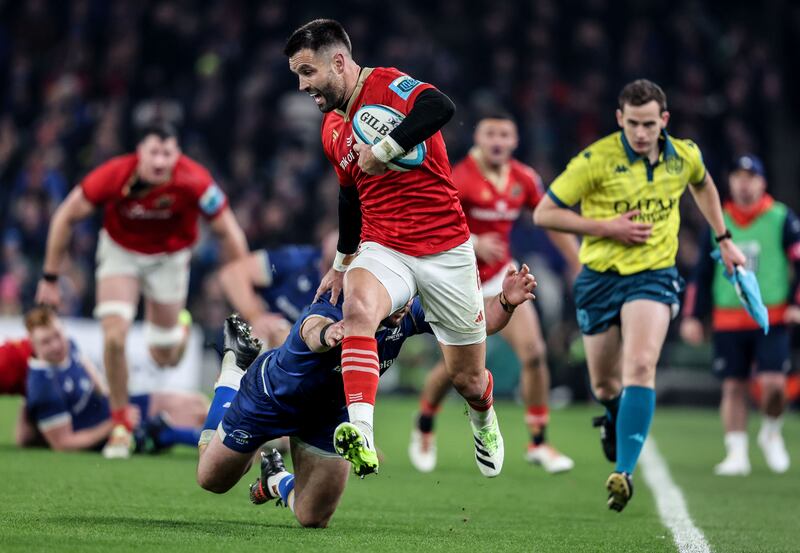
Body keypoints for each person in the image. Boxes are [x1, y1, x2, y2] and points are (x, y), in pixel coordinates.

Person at [285, 19, 502, 477]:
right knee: (358, 310)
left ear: (338, 62)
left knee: (467, 378)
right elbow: (349, 199)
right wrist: (342, 263)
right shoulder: (330, 129)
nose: (303, 85)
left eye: (308, 72)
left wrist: (384, 148)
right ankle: (361, 430)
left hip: (446, 249)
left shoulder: (387, 84)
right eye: (297, 76)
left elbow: (439, 106)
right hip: (384, 246)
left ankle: (483, 415)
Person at [533, 79, 746, 512]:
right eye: (633, 123)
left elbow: (703, 184)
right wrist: (607, 228)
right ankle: (612, 417)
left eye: (650, 123)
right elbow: (544, 213)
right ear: (620, 119)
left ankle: (623, 473)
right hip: (599, 277)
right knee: (605, 383)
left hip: (653, 275)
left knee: (641, 364)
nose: (642, 132)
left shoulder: (683, 154)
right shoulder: (595, 159)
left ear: (664, 120)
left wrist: (723, 238)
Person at [196, 265, 537, 528]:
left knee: (312, 518)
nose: (403, 305)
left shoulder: (406, 314)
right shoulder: (339, 303)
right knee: (212, 479)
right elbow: (310, 329)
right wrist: (330, 333)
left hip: (330, 416)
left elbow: (473, 325)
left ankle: (276, 480)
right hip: (271, 400)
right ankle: (235, 366)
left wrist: (506, 301)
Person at [34, 122, 249, 459]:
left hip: (170, 259)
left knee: (163, 355)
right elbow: (65, 216)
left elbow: (230, 232)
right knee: (115, 335)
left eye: (167, 153)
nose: (161, 161)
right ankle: (121, 424)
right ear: (140, 154)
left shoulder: (195, 180)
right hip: (121, 253)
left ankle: (179, 324)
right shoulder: (115, 175)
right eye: (154, 152)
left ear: (177, 154)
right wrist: (49, 277)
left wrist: (244, 294)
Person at [408, 112, 580, 474]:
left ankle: (538, 442)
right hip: (459, 283)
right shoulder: (461, 176)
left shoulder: (523, 178)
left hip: (502, 278)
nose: (498, 141)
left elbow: (549, 216)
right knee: (460, 371)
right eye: (491, 134)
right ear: (479, 140)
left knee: (534, 353)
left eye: (505, 134)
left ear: (515, 140)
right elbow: (427, 219)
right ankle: (424, 426)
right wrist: (471, 240)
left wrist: (577, 262)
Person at [681, 154, 800, 476]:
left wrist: (795, 303)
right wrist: (694, 316)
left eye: (751, 177)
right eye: (738, 177)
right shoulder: (719, 221)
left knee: (775, 384)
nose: (744, 183)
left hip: (770, 317)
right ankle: (736, 451)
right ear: (729, 182)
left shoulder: (780, 217)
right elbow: (702, 273)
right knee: (733, 386)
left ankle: (771, 431)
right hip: (728, 317)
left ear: (762, 182)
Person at [22, 306, 208, 453]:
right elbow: (64, 444)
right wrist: (116, 422)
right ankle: (223, 445)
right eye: (46, 341)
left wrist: (119, 403)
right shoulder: (43, 387)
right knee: (189, 419)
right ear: (32, 343)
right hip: (107, 433)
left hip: (113, 408)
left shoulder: (69, 345)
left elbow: (99, 384)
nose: (56, 345)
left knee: (197, 403)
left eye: (57, 335)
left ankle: (222, 437)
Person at [218, 231, 337, 347]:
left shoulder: (349, 294)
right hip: (259, 332)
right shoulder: (298, 260)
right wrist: (255, 316)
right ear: (325, 241)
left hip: (297, 353)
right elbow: (232, 275)